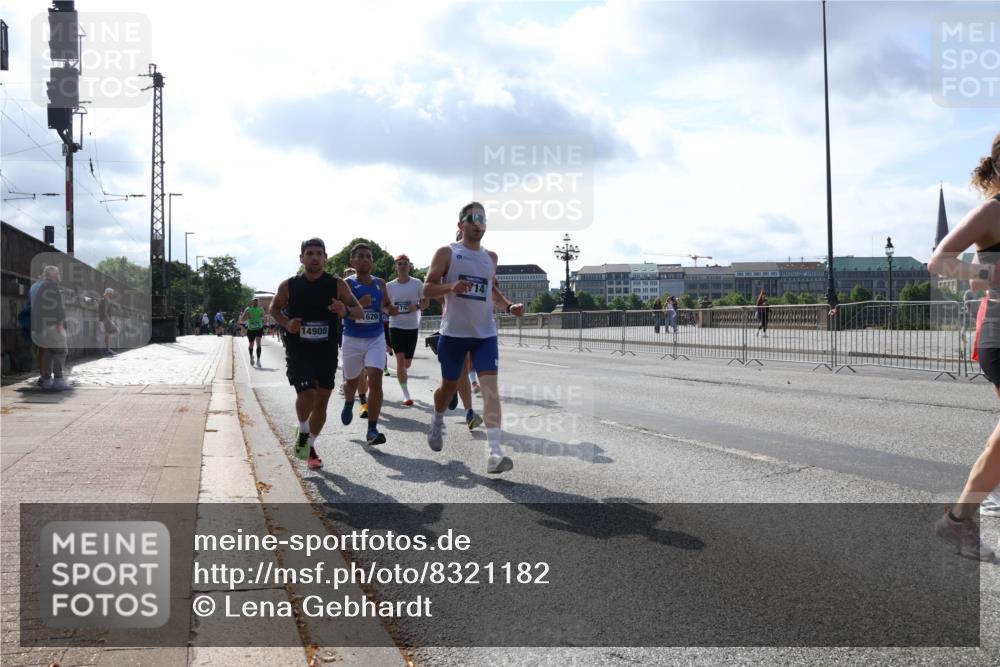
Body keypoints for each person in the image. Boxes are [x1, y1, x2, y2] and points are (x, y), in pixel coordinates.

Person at [928, 130, 1000, 560]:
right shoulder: (993, 211)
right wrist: (992, 278)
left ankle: (960, 520)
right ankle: (958, 521)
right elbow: (938, 261)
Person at [423, 202, 524, 474]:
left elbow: (492, 291)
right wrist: (450, 286)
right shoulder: (447, 253)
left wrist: (509, 306)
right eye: (472, 218)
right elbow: (427, 288)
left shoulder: (490, 258)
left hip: (484, 335)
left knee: (490, 389)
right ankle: (437, 420)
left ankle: (494, 453)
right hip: (454, 335)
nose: (477, 222)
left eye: (482, 218)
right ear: (461, 225)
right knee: (448, 388)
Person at [269, 238, 362, 470]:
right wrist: (286, 322)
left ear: (325, 258)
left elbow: (358, 311)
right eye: (309, 253)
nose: (314, 257)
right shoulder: (289, 285)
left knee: (322, 401)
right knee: (308, 393)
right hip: (299, 349)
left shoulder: (337, 285)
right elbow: (274, 308)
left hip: (326, 350)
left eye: (319, 253)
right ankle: (303, 431)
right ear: (301, 258)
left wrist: (345, 310)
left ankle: (309, 445)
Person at [339, 243, 398, 446]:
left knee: (375, 380)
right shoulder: (345, 284)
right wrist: (359, 306)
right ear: (352, 261)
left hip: (375, 337)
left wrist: (392, 310)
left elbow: (387, 304)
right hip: (352, 338)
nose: (366, 259)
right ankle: (349, 402)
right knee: (352, 382)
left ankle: (372, 429)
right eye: (361, 256)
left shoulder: (380, 283)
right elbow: (338, 309)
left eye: (369, 257)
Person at [386, 254, 429, 406]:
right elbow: (384, 306)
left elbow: (426, 303)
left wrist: (416, 307)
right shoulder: (389, 286)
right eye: (400, 264)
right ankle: (406, 394)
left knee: (407, 363)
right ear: (396, 267)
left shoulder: (417, 283)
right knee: (399, 359)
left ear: (409, 266)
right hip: (395, 326)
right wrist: (391, 310)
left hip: (412, 327)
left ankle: (404, 375)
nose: (403, 266)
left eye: (405, 263)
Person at [33, 266, 69, 390]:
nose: (59, 275)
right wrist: (59, 324)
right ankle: (58, 380)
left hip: (44, 326)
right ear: (53, 275)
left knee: (48, 352)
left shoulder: (43, 287)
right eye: (58, 273)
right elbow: (55, 308)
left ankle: (47, 380)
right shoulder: (51, 288)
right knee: (60, 351)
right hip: (53, 326)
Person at [240, 297, 266, 366]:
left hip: (259, 329)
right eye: (254, 301)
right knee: (251, 344)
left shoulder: (261, 309)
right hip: (251, 329)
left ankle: (258, 360)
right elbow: (242, 319)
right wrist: (248, 317)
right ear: (252, 302)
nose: (256, 302)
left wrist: (263, 318)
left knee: (258, 343)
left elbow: (264, 317)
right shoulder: (248, 309)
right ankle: (251, 357)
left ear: (258, 302)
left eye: (257, 301)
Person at [98, 288, 118, 355]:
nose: (112, 295)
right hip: (104, 320)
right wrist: (108, 320)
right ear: (108, 293)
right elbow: (103, 311)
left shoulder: (107, 300)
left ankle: (107, 349)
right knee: (107, 334)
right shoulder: (104, 300)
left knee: (108, 334)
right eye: (111, 293)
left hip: (106, 319)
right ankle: (105, 350)